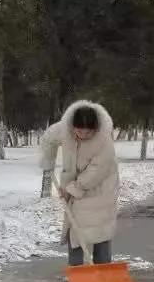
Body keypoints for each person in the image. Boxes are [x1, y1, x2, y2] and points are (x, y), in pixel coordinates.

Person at [40, 100, 120, 267]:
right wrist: (48, 160)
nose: (82, 135)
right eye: (79, 131)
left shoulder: (104, 140)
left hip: (100, 188)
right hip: (73, 186)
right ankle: (76, 270)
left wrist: (73, 188)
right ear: (72, 126)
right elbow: (48, 139)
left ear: (95, 128)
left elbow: (97, 170)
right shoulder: (64, 129)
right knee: (74, 226)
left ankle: (103, 267)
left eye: (87, 133)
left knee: (100, 228)